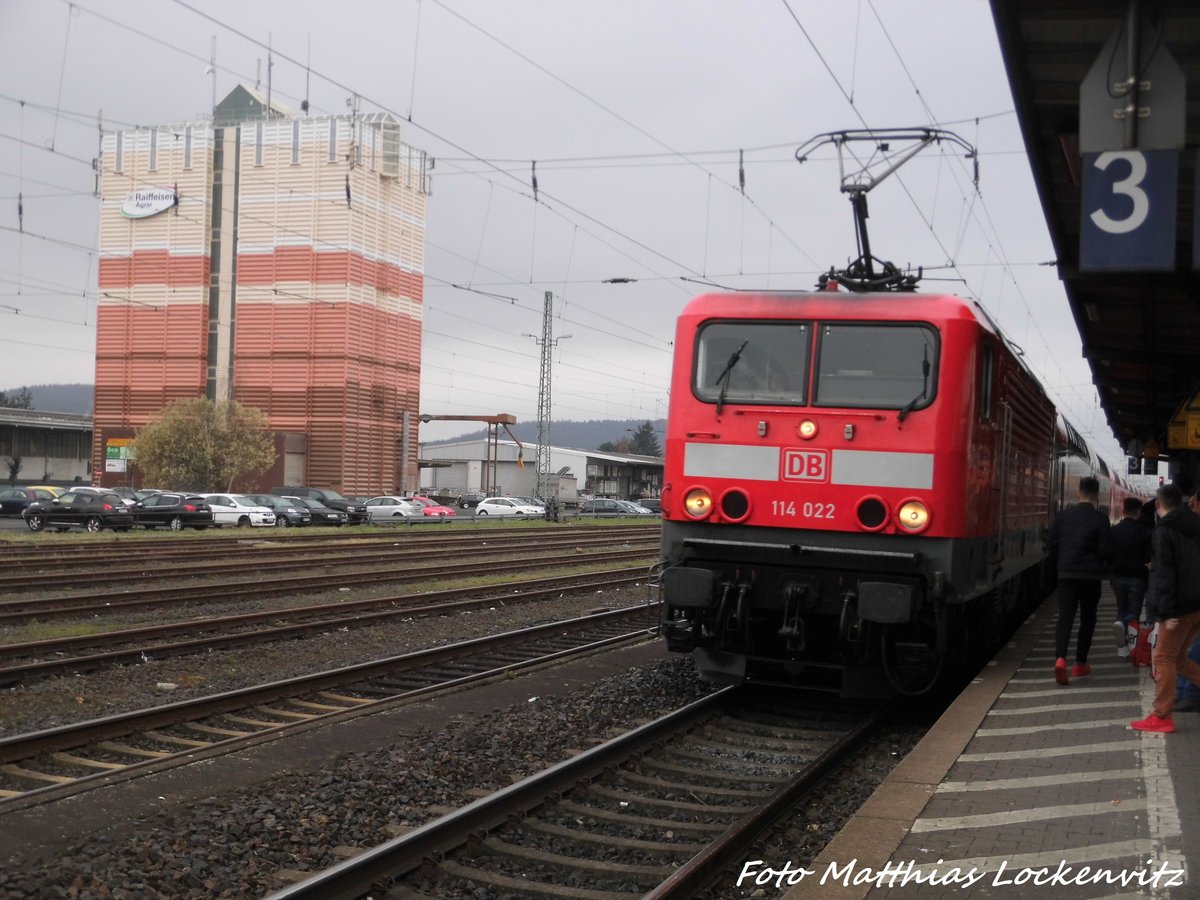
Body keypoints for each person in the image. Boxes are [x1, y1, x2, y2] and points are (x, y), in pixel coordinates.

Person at [1132, 483, 1200, 732]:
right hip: (1195, 604)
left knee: (1163, 658)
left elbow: (1165, 575)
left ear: (1158, 505)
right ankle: (1162, 715)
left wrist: (1166, 612)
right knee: (1177, 659)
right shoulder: (1195, 525)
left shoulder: (1163, 532)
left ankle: (1161, 716)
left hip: (1179, 607)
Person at [1046, 476, 1114, 685]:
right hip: (1090, 577)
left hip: (1066, 574)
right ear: (1096, 495)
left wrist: (1062, 562)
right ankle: (1080, 664)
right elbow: (1105, 549)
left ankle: (1060, 659)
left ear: (1079, 492)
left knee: (1065, 618)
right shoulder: (1100, 519)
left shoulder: (1062, 516)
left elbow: (1051, 544)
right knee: (1088, 618)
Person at [1108, 497, 1151, 656]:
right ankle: (1130, 646)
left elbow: (1108, 553)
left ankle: (1122, 645)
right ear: (1138, 512)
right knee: (1134, 612)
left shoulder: (1113, 531)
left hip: (1117, 577)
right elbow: (1149, 555)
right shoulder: (1145, 532)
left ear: (1123, 510)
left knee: (1121, 608)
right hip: (1137, 577)